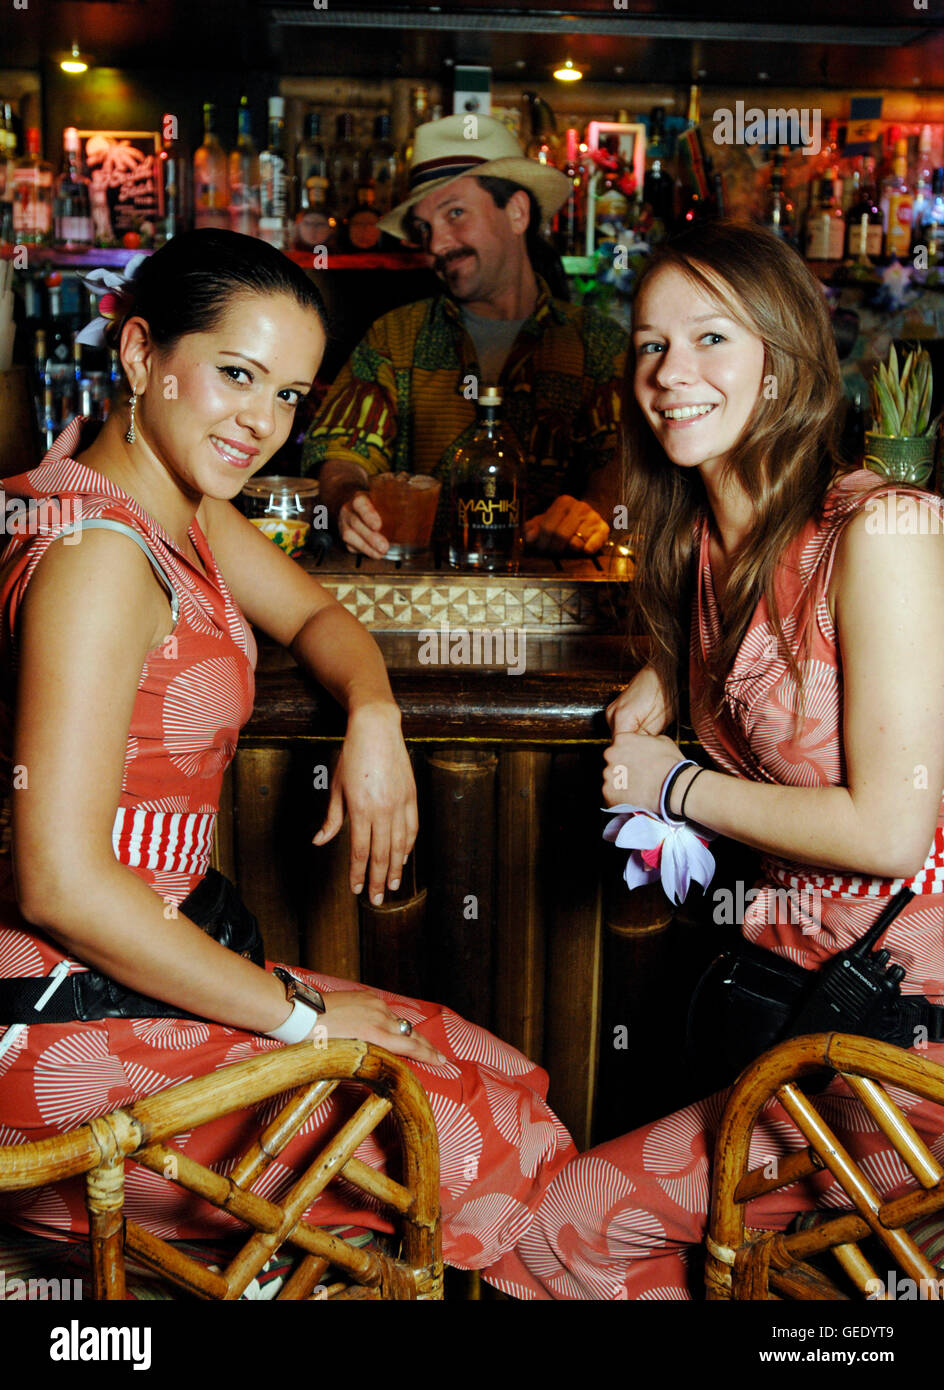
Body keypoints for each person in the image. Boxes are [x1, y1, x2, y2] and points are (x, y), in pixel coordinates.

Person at [0, 229, 577, 1278]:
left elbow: (321, 618)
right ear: (138, 355)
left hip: (151, 981)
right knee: (469, 1134)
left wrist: (373, 713)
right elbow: (59, 883)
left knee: (498, 1071)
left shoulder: (179, 510)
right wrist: (299, 1015)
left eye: (289, 396)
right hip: (53, 1028)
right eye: (235, 374)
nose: (261, 423)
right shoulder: (97, 560)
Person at [491, 220, 944, 1298]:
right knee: (557, 1232)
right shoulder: (696, 545)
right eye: (648, 346)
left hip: (908, 1030)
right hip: (800, 1012)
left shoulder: (880, 534)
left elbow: (889, 831)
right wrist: (663, 677)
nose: (669, 373)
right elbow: (748, 660)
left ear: (781, 361)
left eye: (709, 339)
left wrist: (672, 783)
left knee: (837, 1285)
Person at [302, 114, 628, 558]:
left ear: (516, 212)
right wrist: (345, 501)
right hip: (416, 603)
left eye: (455, 213)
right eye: (424, 228)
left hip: (569, 602)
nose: (436, 244)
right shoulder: (395, 337)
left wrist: (595, 509)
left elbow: (629, 456)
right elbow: (342, 452)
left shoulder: (598, 344)